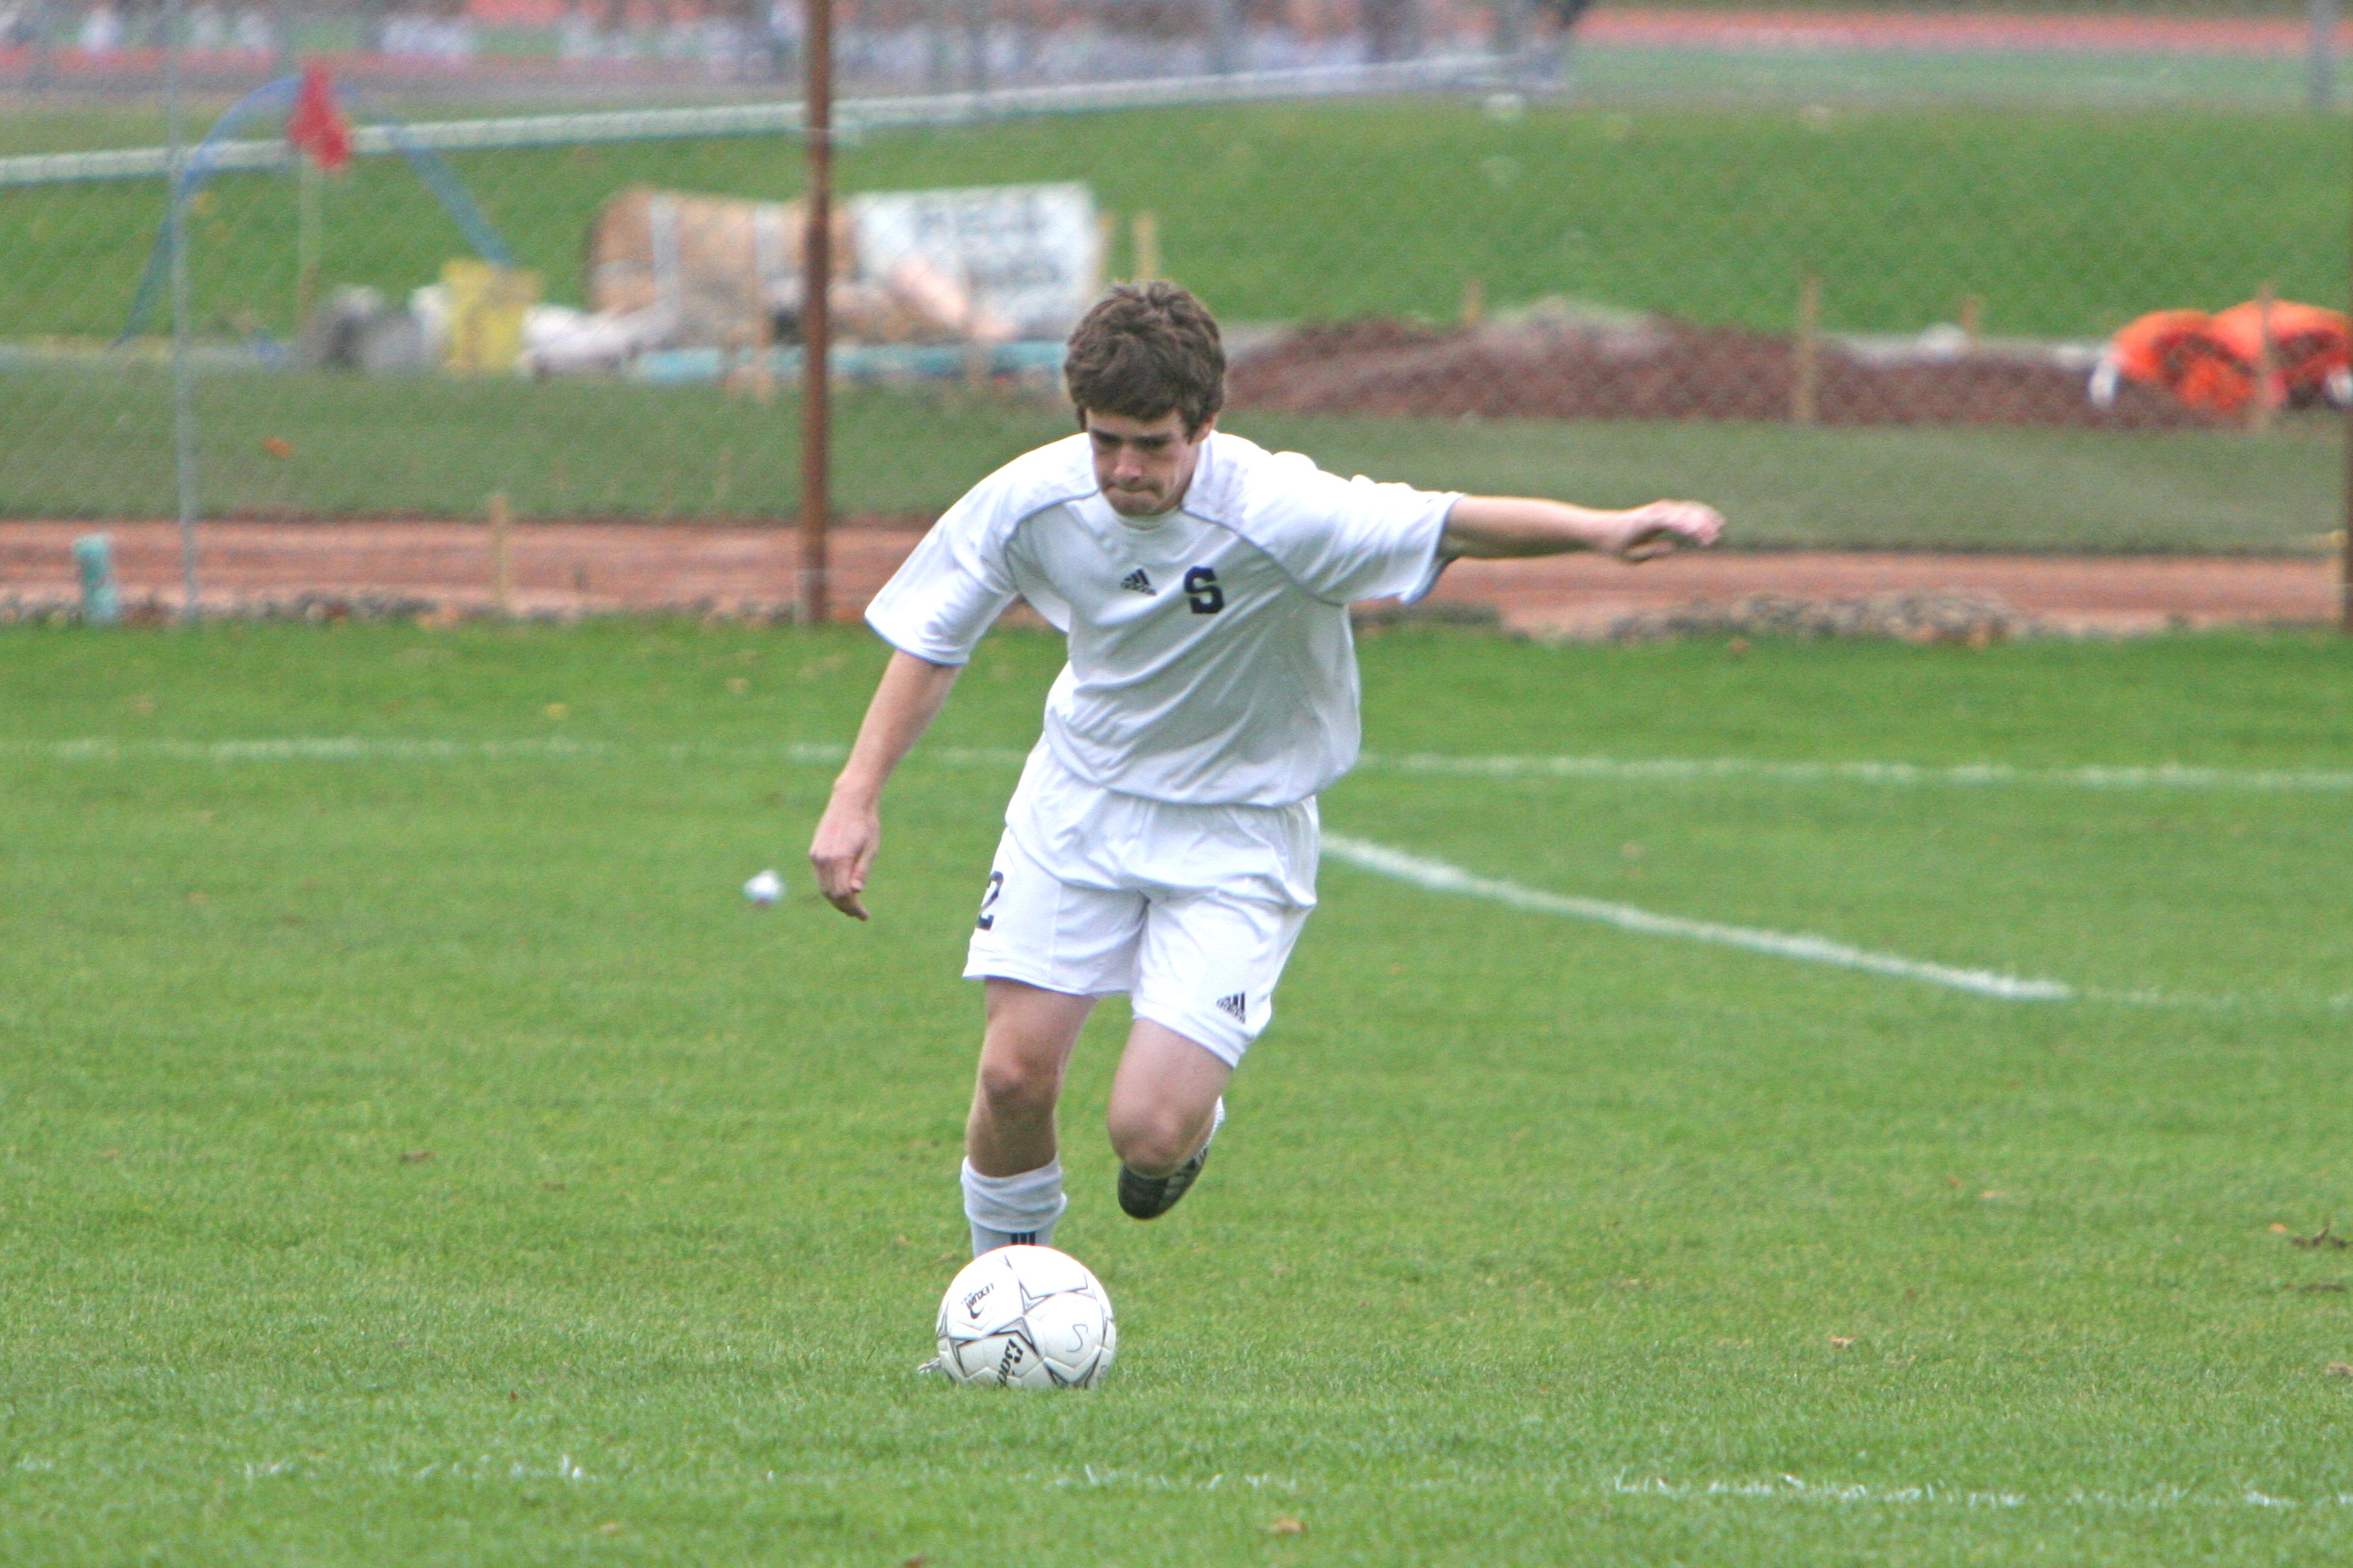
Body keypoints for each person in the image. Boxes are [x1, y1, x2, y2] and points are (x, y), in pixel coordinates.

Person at [809, 282, 1720, 1261]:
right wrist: (853, 794)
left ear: (1204, 424)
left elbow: (1450, 521)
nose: (1124, 468)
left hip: (1239, 832)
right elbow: (934, 636)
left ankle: (1181, 1137)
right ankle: (1007, 1297)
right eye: (1104, 439)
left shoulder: (1281, 511)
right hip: (1079, 804)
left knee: (1146, 1132)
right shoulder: (1032, 498)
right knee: (1011, 1078)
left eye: (1152, 443)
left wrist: (1601, 529)